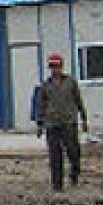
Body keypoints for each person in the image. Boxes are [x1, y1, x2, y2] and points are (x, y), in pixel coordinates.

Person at [36, 52, 88, 191]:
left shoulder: (71, 83)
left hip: (69, 123)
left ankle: (74, 173)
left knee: (73, 151)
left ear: (62, 66)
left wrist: (84, 119)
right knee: (55, 155)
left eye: (57, 66)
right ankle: (57, 185)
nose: (55, 69)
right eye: (52, 66)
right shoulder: (45, 86)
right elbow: (41, 105)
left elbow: (78, 101)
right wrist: (40, 124)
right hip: (52, 124)